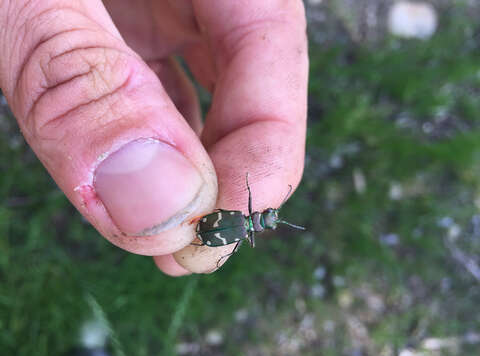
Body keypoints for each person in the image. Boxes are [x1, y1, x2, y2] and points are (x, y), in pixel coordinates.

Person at [0, 0, 308, 275]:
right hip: (211, 230)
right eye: (266, 216)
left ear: (259, 219)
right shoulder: (243, 226)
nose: (264, 216)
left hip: (210, 228)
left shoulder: (242, 215)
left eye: (266, 217)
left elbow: (233, 207)